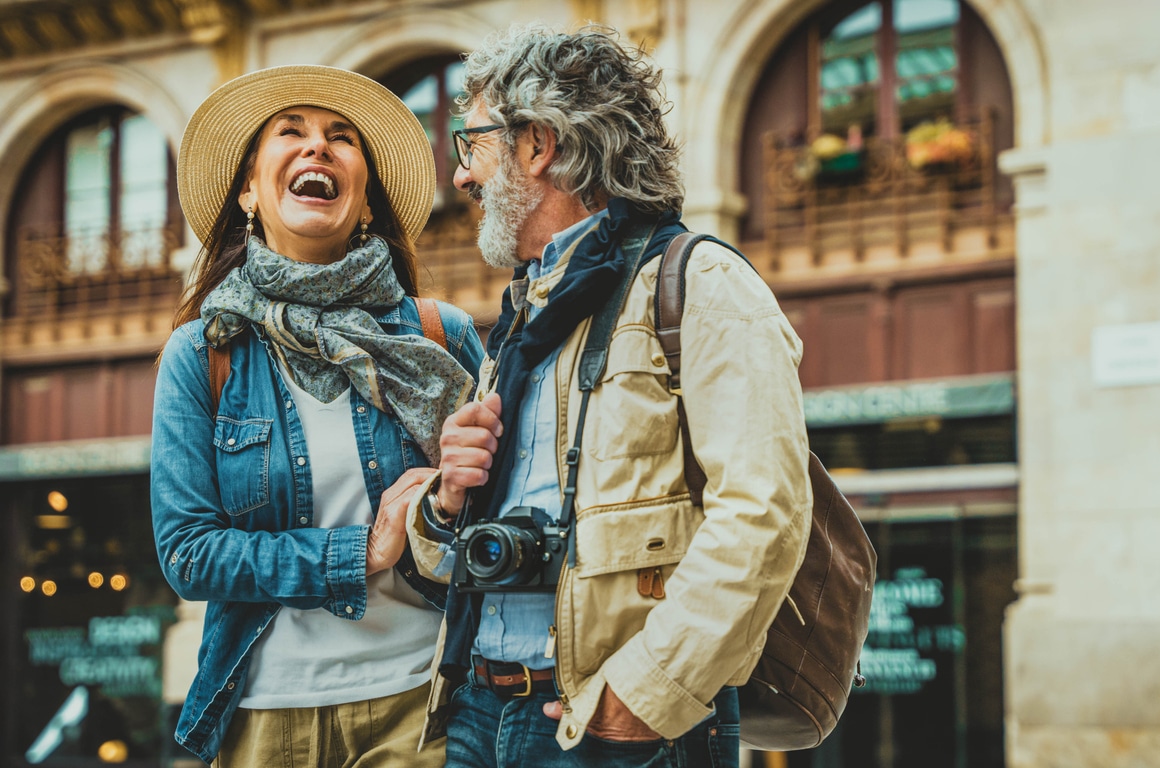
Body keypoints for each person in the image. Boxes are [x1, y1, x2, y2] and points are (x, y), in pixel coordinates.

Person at [404, 26, 812, 768]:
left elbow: (765, 513)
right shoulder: (527, 315)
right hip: (478, 711)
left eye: (474, 144)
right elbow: (449, 563)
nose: (462, 177)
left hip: (605, 725)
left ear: (537, 145)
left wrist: (645, 695)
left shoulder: (701, 286)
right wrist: (448, 504)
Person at [150, 65, 484, 767]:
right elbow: (188, 555)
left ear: (365, 200)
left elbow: (503, 514)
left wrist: (448, 509)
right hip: (266, 713)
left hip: (423, 697)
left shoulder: (440, 337)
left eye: (342, 139)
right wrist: (356, 553)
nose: (317, 149)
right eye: (290, 132)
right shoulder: (201, 354)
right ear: (249, 190)